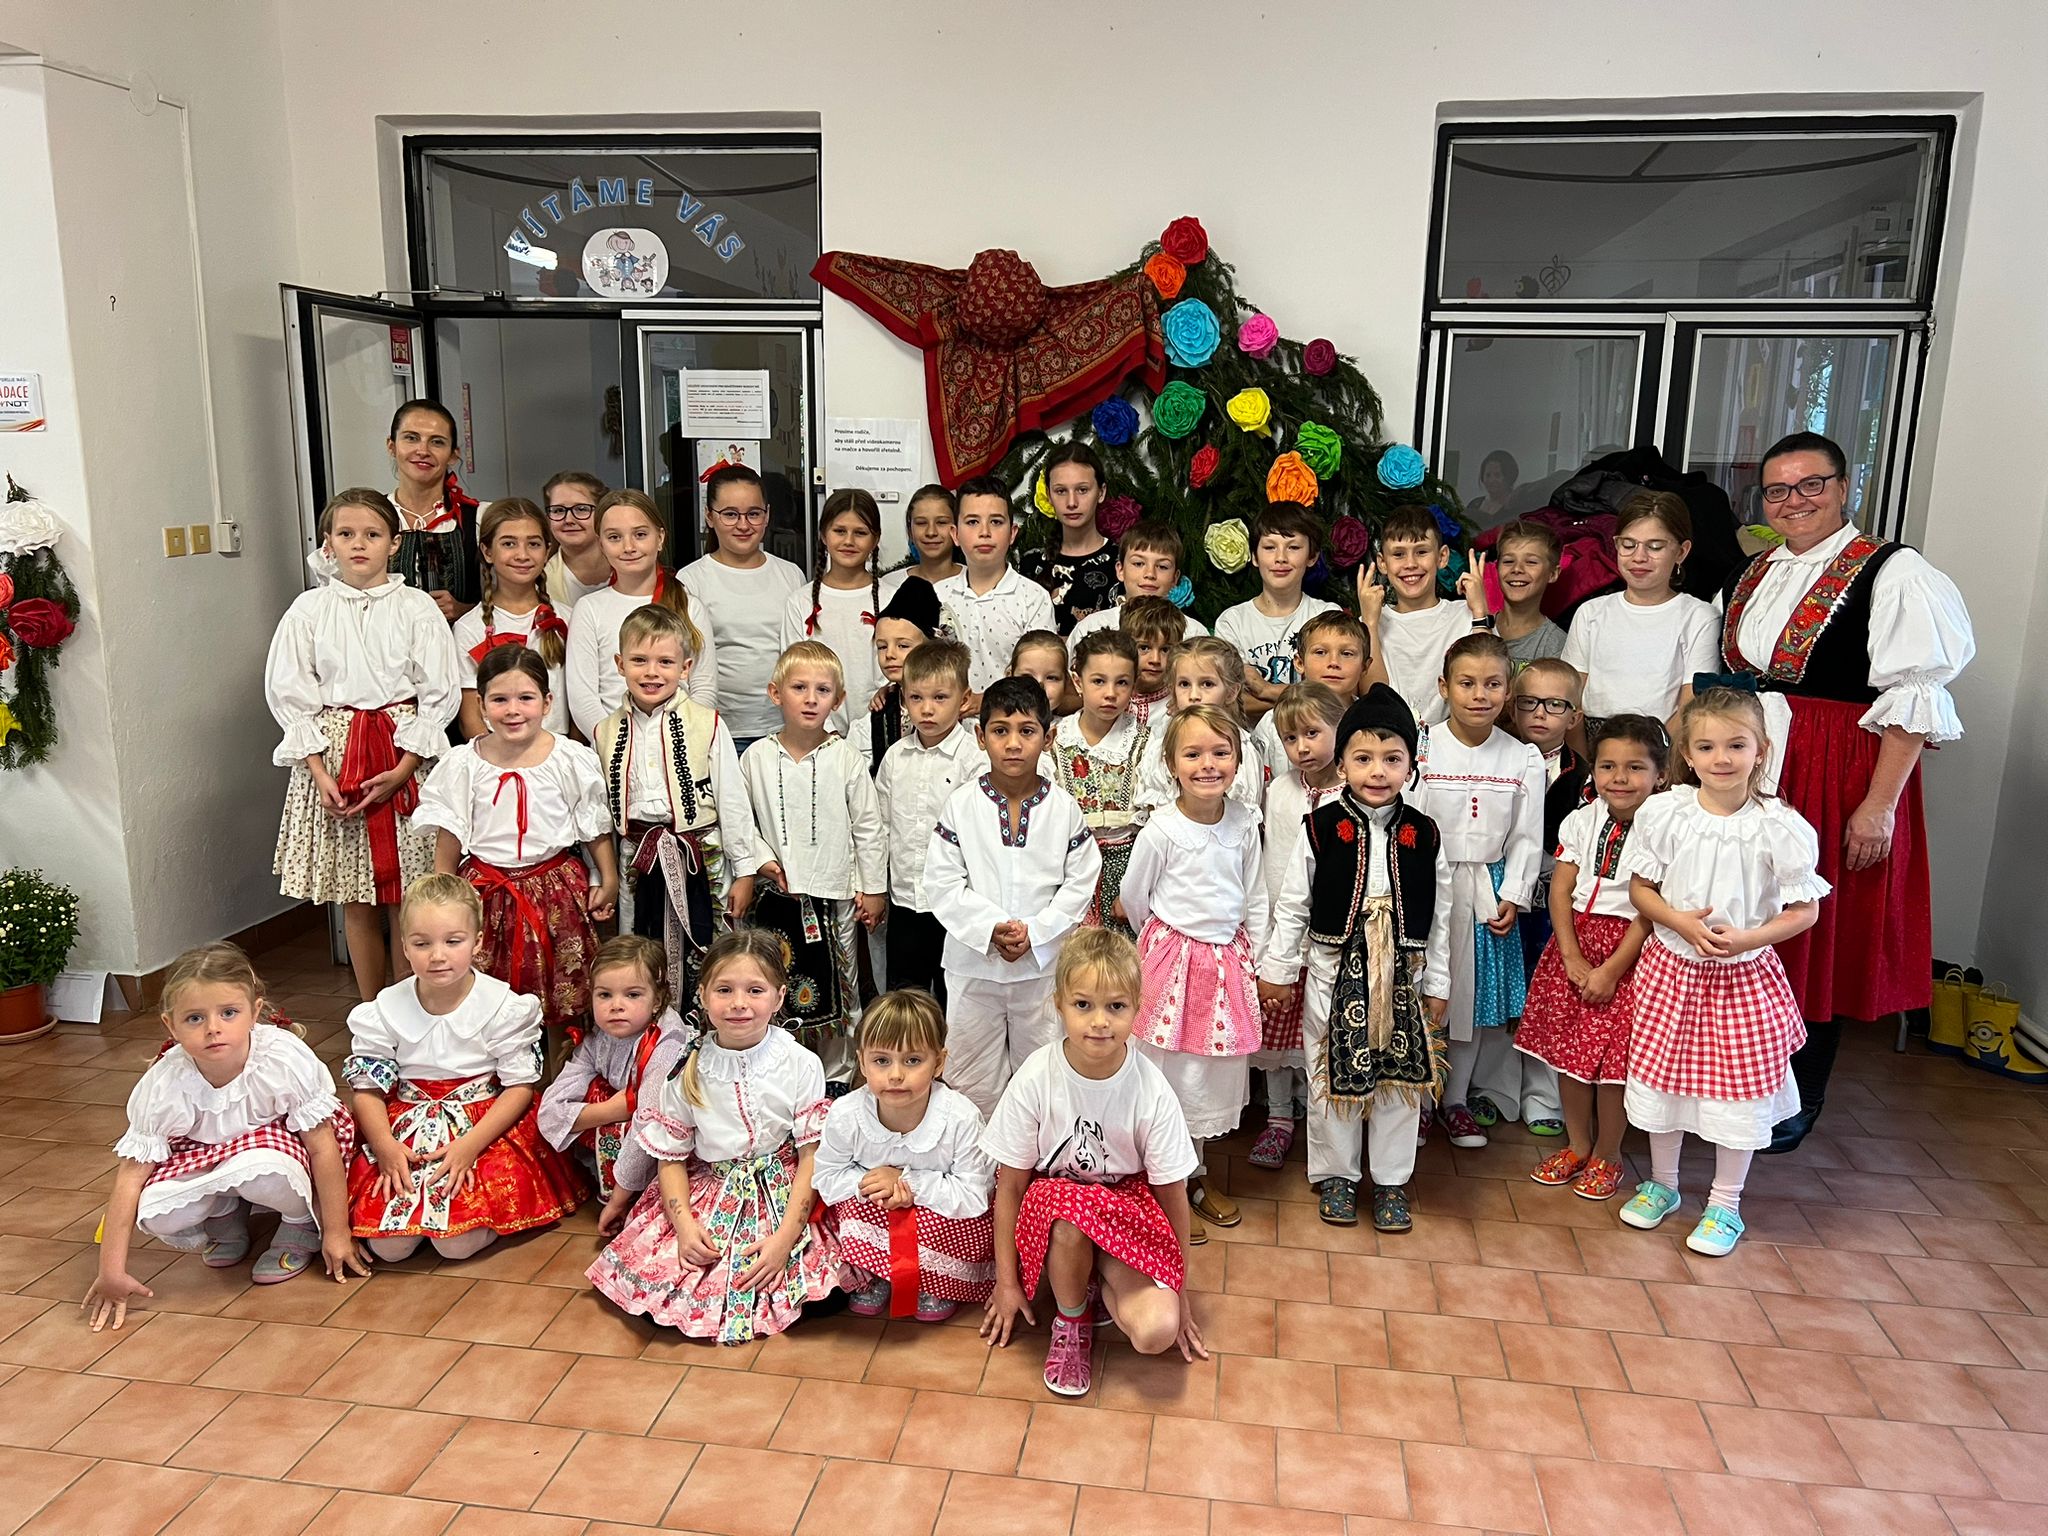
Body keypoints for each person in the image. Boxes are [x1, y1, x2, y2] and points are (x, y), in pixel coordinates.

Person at [1719, 431, 1975, 1150]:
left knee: (1819, 921)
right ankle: (1736, 1079)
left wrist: (1879, 805)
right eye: (1778, 490)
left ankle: (1798, 1092)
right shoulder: (1755, 571)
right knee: (1751, 909)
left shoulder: (1894, 570)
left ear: (1845, 486)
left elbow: (1915, 696)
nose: (1794, 501)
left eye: (1811, 484)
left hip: (1838, 766)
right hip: (1756, 757)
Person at [1616, 687, 1830, 1255]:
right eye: (1707, 747)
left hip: (1741, 979)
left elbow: (1804, 911)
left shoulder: (1779, 826)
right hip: (1671, 970)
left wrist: (1748, 939)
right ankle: (1663, 1185)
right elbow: (1642, 889)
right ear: (1688, 754)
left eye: (1737, 745)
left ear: (1761, 750)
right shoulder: (1666, 813)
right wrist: (1678, 922)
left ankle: (1725, 1203)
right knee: (1662, 1081)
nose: (1722, 758)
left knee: (1738, 1092)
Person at [586, 928, 853, 1342]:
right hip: (710, 1187)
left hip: (784, 1189)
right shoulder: (686, 1067)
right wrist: (685, 1227)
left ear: (779, 997)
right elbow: (670, 1158)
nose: (738, 1003)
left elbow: (811, 1157)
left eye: (755, 990)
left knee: (824, 1293)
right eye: (724, 990)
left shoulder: (801, 1062)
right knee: (676, 1279)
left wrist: (785, 1239)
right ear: (703, 995)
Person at [980, 928, 1208, 1396]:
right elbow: (1011, 1186)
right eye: (1083, 1005)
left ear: (1137, 1008)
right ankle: (1071, 1319)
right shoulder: (1036, 1076)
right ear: (1059, 1005)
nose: (1100, 1021)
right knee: (1070, 1221)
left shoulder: (1151, 1089)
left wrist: (1179, 1292)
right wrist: (1006, 1283)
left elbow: (1173, 1195)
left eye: (1116, 1006)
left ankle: (1096, 1277)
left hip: (1126, 1210)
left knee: (1156, 1332)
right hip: (1057, 1212)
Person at [1259, 686, 1454, 1233]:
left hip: (1404, 977)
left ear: (1411, 767)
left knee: (1397, 1080)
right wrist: (1278, 970)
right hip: (1331, 970)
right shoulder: (1321, 829)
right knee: (1327, 1072)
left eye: (1392, 759)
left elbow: (1440, 913)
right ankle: (1336, 1175)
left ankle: (1391, 1180)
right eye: (1363, 758)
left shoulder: (1423, 834)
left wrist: (1438, 982)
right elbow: (1294, 903)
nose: (1378, 771)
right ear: (1342, 764)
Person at [86, 944, 364, 1326]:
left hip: (278, 1148)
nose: (212, 1028)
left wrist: (337, 1232)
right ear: (170, 1025)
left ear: (255, 1011)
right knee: (157, 1210)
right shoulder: (165, 1082)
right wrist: (111, 1272)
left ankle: (300, 1222)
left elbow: (322, 1147)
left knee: (264, 1172)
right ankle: (225, 1213)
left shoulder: (281, 1059)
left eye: (228, 1013)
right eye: (194, 1018)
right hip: (206, 1155)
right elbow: (130, 1178)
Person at [267, 488, 461, 1002]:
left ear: (394, 543)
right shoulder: (309, 609)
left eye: (372, 534)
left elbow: (438, 691)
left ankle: (411, 1005)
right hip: (336, 753)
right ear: (327, 543)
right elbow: (291, 692)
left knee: (409, 894)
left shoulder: (416, 607)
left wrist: (405, 767)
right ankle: (372, 1010)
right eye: (346, 534)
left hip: (402, 748)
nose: (359, 544)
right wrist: (318, 772)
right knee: (355, 895)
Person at [343, 875, 585, 1262]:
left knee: (456, 1245)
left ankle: (466, 1220)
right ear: (403, 946)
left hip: (483, 1125)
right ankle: (419, 1217)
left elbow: (519, 1088)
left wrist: (469, 1146)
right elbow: (367, 1091)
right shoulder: (384, 1010)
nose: (437, 956)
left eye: (452, 941)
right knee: (389, 1249)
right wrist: (385, 1146)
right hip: (405, 1128)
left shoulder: (502, 1007)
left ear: (478, 941)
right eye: (422, 944)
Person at [415, 646, 617, 1057]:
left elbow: (593, 825)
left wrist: (608, 878)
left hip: (555, 891)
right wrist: (443, 898)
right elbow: (449, 835)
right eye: (499, 699)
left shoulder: (569, 758)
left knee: (562, 995)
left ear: (547, 702)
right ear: (481, 704)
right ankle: (496, 1074)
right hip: (487, 893)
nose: (512, 710)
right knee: (489, 995)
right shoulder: (463, 764)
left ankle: (561, 1076)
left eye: (525, 698)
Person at [1121, 704, 1267, 1244]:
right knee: (1163, 1074)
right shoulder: (1162, 828)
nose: (1208, 764)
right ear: (1171, 764)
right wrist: (1164, 946)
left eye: (1221, 753)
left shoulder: (1244, 823)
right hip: (1170, 965)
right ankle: (1153, 1184)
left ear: (1238, 760)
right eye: (1193, 754)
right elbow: (1134, 897)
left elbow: (1255, 895)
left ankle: (1192, 1176)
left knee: (1201, 1079)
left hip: (1224, 967)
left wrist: (1259, 960)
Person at [922, 676, 1101, 1115]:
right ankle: (976, 1155)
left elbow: (1080, 880)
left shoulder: (1063, 808)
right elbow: (941, 882)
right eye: (1000, 730)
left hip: (1041, 969)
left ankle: (1033, 1154)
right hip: (973, 966)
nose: (1014, 743)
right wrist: (991, 929)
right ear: (980, 736)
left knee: (1042, 1073)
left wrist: (1035, 933)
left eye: (1027, 730)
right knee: (968, 1075)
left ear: (1048, 737)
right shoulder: (961, 805)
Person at [1516, 715, 1665, 1201]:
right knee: (1570, 1056)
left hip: (1630, 952)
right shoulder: (1581, 819)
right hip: (1576, 943)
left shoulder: (1666, 828)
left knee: (1613, 1065)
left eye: (1635, 767)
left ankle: (1608, 1153)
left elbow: (1650, 909)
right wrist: (1571, 957)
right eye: (1607, 766)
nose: (1619, 778)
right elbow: (1561, 889)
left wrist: (1611, 970)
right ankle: (1577, 1144)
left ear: (1660, 774)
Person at [1412, 635, 1546, 1151]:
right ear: (1444, 686)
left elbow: (1528, 834)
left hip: (1488, 889)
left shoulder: (1521, 757)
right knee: (1426, 995)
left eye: (1492, 684)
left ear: (1508, 691)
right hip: (1428, 883)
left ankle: (1456, 1100)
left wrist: (1514, 891)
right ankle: (1418, 1101)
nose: (1479, 695)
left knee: (1471, 1004)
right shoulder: (1422, 745)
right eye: (1466, 683)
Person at [590, 604, 760, 998]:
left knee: (712, 947)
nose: (652, 672)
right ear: (619, 664)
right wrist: (602, 878)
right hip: (636, 859)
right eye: (639, 660)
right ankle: (651, 1023)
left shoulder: (707, 723)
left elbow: (733, 802)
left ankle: (706, 1023)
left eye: (665, 662)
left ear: (685, 668)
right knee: (641, 948)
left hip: (701, 855)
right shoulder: (605, 731)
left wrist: (745, 870)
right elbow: (598, 815)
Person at [741, 642, 888, 1083]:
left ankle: (838, 1074)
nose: (810, 699)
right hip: (775, 896)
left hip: (834, 893)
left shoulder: (845, 758)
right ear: (775, 693)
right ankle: (779, 1070)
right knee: (775, 979)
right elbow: (741, 821)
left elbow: (868, 827)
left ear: (838, 700)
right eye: (799, 688)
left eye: (822, 690)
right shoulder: (756, 758)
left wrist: (873, 888)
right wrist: (763, 861)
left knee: (841, 985)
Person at [815, 990, 997, 1322]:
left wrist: (908, 1183)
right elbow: (827, 1177)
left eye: (912, 1060)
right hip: (876, 1209)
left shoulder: (961, 1118)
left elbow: (975, 1194)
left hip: (942, 1219)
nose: (896, 1074)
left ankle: (936, 1280)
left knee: (968, 1216)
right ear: (862, 1062)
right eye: (881, 1061)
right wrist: (875, 1185)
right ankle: (875, 1272)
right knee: (848, 1205)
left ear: (938, 1062)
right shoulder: (845, 1114)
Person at [1464, 657, 1589, 1137]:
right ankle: (1491, 1089)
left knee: (1546, 994)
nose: (1540, 713)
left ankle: (1543, 1095)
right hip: (1500, 892)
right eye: (1529, 702)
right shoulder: (1495, 757)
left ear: (1574, 716)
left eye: (1555, 704)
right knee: (1499, 993)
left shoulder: (1584, 776)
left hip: (1557, 901)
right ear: (1511, 707)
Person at [1248, 681, 1346, 1170]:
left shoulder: (1352, 793)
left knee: (1323, 1033)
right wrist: (1267, 941)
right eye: (1290, 738)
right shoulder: (1280, 791)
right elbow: (1270, 861)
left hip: (1330, 937)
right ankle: (1279, 1117)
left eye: (1312, 733)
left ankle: (1321, 1121)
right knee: (1277, 1034)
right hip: (1281, 933)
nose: (1301, 747)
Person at [538, 935, 693, 1214]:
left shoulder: (668, 1042)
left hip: (667, 1147)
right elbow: (550, 1110)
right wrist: (614, 1109)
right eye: (605, 995)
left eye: (632, 995)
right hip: (625, 1115)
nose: (616, 1006)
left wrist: (618, 1199)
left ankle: (632, 1191)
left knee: (646, 1120)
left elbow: (650, 1121)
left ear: (657, 1000)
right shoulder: (599, 1037)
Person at [1561, 490, 1721, 739]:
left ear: (1681, 552)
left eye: (1655, 547)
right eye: (1628, 545)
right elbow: (1570, 696)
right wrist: (1582, 755)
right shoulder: (1590, 612)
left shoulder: (1699, 617)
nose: (1639, 557)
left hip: (1661, 742)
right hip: (1590, 740)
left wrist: (1652, 755)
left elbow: (1690, 705)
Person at [876, 639, 986, 998]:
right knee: (906, 998)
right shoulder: (895, 758)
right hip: (905, 900)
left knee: (957, 996)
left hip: (957, 902)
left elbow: (981, 835)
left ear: (964, 700)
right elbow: (882, 828)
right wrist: (874, 887)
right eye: (916, 698)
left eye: (940, 698)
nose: (926, 709)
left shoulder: (974, 759)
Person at [566, 490, 719, 736]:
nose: (628, 547)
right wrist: (616, 742)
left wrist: (681, 738)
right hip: (615, 745)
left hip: (679, 743)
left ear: (660, 538)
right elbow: (583, 699)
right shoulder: (589, 609)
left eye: (640, 535)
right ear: (601, 544)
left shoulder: (690, 607)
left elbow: (704, 688)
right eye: (614, 537)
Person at [680, 463, 806, 757]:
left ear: (767, 515)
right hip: (719, 730)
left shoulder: (791, 575)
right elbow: (685, 663)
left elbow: (800, 652)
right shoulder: (690, 580)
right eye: (730, 514)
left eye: (753, 513)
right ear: (709, 516)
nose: (743, 525)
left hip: (782, 727)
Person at [1049, 630, 1150, 934]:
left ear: (1134, 684)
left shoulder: (1145, 742)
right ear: (1077, 681)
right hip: (1069, 866)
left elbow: (1155, 824)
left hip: (1127, 867)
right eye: (1098, 681)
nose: (1110, 693)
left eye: (1122, 682)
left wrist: (1136, 888)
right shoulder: (1055, 739)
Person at [782, 487, 902, 735]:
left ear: (875, 539)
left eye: (860, 533)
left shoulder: (893, 598)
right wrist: (826, 731)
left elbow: (904, 671)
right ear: (823, 535)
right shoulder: (800, 602)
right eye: (839, 531)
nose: (849, 541)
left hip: (881, 732)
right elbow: (792, 673)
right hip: (819, 735)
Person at [1360, 506, 1493, 727]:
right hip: (1389, 741)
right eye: (1398, 554)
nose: (1410, 564)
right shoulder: (1371, 621)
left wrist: (1480, 612)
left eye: (1421, 552)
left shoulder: (1465, 615)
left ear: (1442, 557)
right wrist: (1370, 624)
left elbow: (1487, 679)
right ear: (1383, 563)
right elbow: (1371, 696)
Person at [453, 499, 573, 740]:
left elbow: (580, 701)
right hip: (497, 754)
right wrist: (498, 756)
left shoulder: (569, 619)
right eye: (509, 543)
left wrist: (568, 753)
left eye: (534, 544)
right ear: (487, 552)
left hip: (561, 750)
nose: (522, 555)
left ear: (547, 551)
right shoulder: (469, 627)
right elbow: (470, 718)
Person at [933, 477, 1056, 694]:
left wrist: (983, 702)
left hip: (1014, 713)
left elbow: (1042, 681)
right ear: (955, 534)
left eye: (996, 522)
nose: (985, 532)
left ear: (1012, 533)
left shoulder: (1034, 599)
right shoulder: (936, 595)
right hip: (946, 714)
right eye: (972, 522)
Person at [1215, 504, 1338, 720]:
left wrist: (1265, 689)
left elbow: (1332, 695)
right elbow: (1230, 701)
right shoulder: (1232, 622)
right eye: (1270, 547)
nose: (1281, 558)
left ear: (1312, 556)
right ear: (1254, 556)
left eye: (1293, 547)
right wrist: (1305, 694)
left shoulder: (1326, 615)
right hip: (1249, 740)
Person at [1136, 637, 1265, 817]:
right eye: (1184, 684)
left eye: (1207, 684)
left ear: (1231, 692)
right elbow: (1153, 808)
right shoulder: (1160, 747)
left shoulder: (1242, 750)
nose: (1194, 695)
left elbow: (1245, 813)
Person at [1250, 610, 1377, 781]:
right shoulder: (1272, 723)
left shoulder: (1373, 722)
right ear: (1299, 662)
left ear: (1365, 666)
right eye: (1320, 652)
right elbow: (1258, 783)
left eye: (1347, 654)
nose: (1333, 663)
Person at [385, 399, 480, 622]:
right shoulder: (368, 517)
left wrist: (466, 611)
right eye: (411, 438)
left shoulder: (479, 518)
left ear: (453, 455)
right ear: (391, 446)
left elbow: (514, 599)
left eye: (437, 442)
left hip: (459, 642)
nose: (423, 450)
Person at [1020, 440, 1121, 632]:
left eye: (1082, 490)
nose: (1072, 502)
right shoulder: (1032, 564)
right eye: (1061, 491)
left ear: (1101, 492)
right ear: (1049, 495)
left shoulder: (1123, 562)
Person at [1065, 521, 1210, 649]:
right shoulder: (1092, 628)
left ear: (1175, 578)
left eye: (1162, 566)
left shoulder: (1193, 634)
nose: (1150, 574)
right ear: (1121, 570)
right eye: (1139, 564)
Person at [862, 579, 945, 773]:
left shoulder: (956, 707)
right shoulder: (878, 715)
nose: (890, 654)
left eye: (903, 645)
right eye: (882, 646)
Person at [1493, 520, 1568, 669]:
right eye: (1508, 561)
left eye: (1531, 562)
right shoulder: (1475, 625)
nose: (1517, 569)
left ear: (1553, 574)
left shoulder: (1555, 645)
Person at [540, 471, 614, 614]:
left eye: (581, 509)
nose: (568, 520)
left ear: (602, 513)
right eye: (558, 510)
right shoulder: (541, 581)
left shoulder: (631, 565)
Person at [1121, 597, 1185, 728]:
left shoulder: (1180, 704)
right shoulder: (1108, 696)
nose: (1155, 660)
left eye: (1165, 650)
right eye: (1144, 648)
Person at [897, 483, 962, 587]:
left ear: (957, 529)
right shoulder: (890, 585)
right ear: (910, 531)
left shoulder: (977, 582)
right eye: (921, 523)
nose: (931, 532)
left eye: (941, 522)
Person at [1009, 631, 1074, 717]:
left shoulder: (1073, 725)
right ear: (1009, 677)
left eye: (1051, 678)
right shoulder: (995, 722)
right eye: (1027, 677)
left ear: (1066, 682)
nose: (1039, 686)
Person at [1468, 448, 1520, 527]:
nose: (1491, 480)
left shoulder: (1515, 509)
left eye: (1497, 475)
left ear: (1509, 477)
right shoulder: (1474, 504)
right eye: (1488, 475)